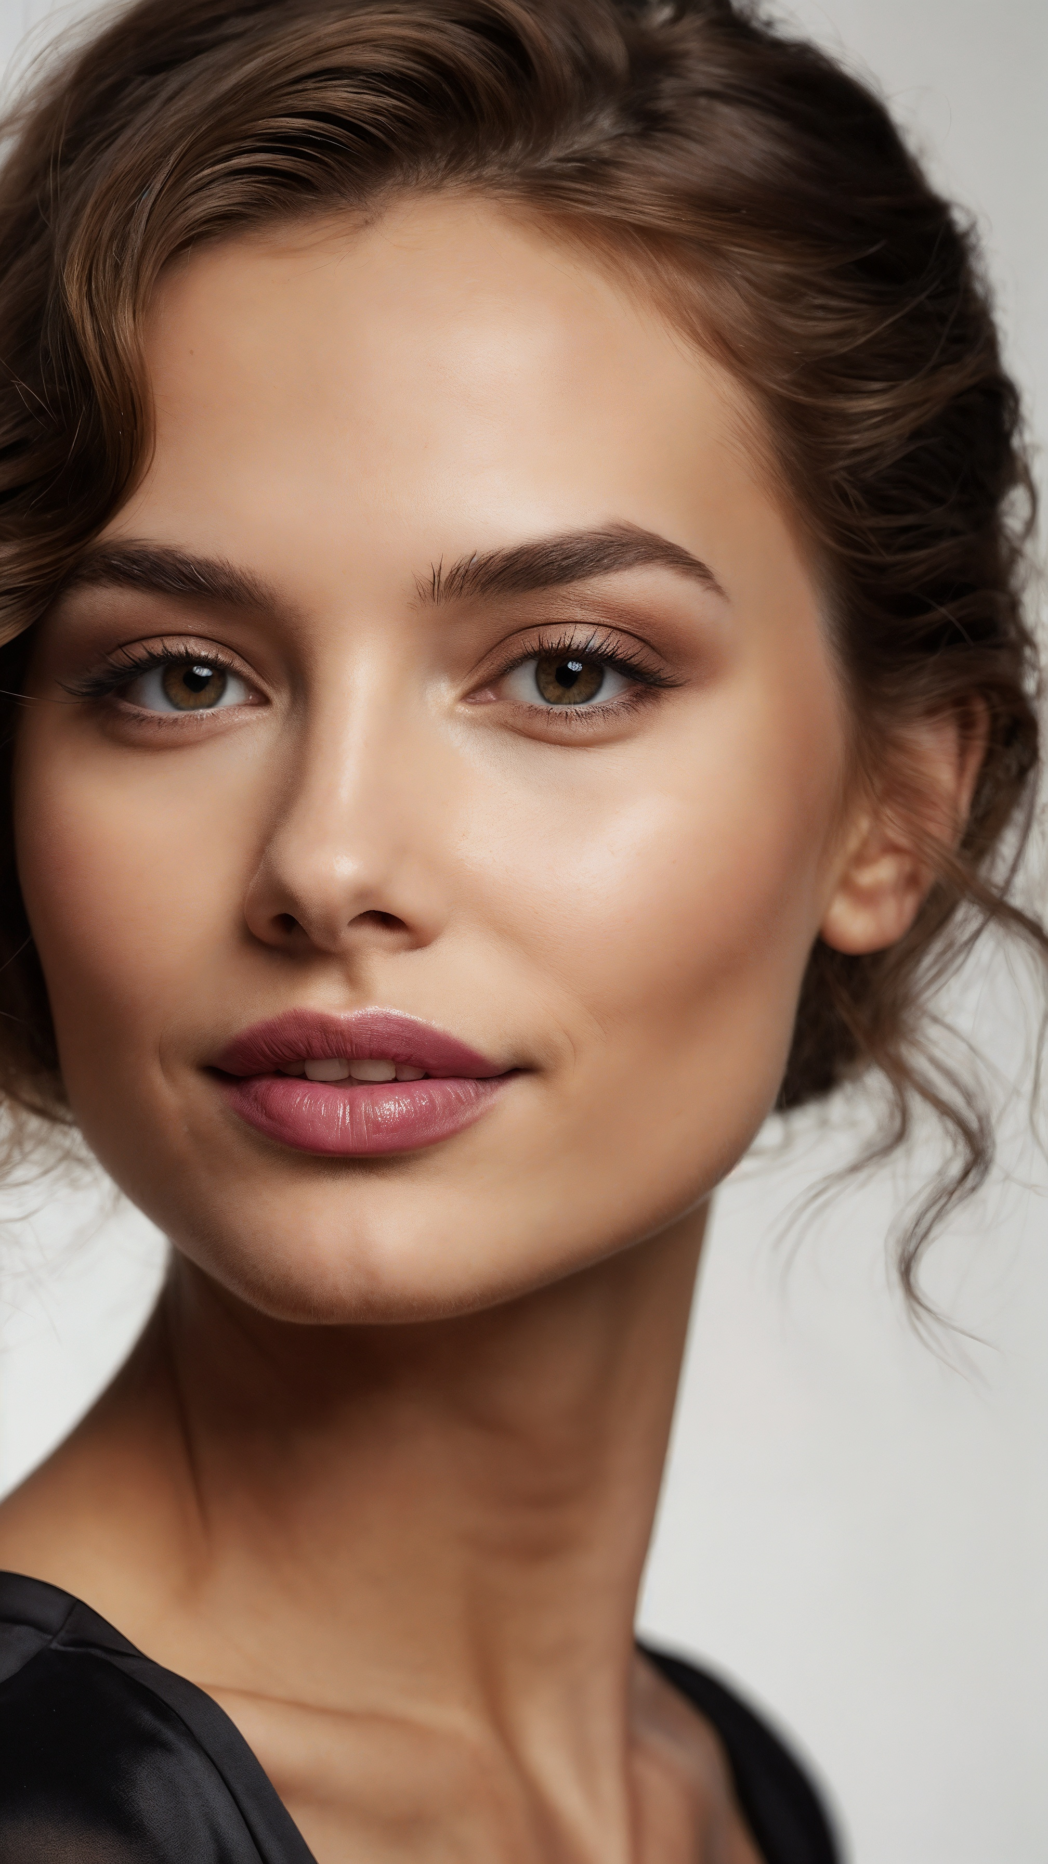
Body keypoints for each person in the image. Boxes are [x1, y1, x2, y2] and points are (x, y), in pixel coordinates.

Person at [0, 0, 1040, 1858]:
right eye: (178, 676)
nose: (328, 860)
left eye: (567, 671)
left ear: (895, 806)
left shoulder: (717, 1789)